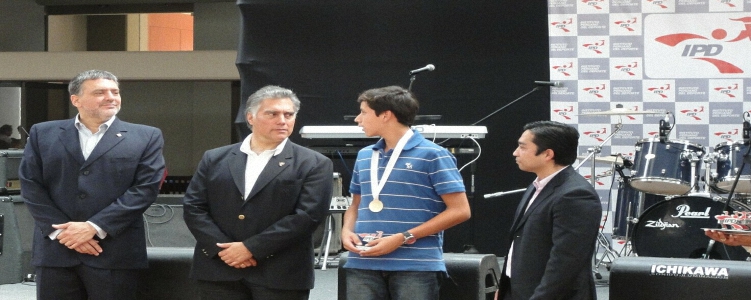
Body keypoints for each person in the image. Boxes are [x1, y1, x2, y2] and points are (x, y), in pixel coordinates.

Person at [18, 70, 166, 300]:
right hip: (56, 252)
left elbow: (146, 188)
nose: (110, 97)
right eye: (100, 92)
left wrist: (93, 227)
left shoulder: (146, 136)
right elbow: (31, 185)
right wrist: (63, 233)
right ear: (76, 100)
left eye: (114, 92)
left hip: (114, 253)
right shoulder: (43, 133)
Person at [182, 85, 333, 300]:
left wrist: (250, 248)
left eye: (288, 114)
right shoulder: (215, 158)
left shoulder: (314, 163)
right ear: (250, 117)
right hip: (219, 270)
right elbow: (194, 207)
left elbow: (307, 217)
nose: (282, 120)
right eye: (272, 113)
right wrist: (224, 250)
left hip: (281, 273)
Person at [341, 85, 471, 300]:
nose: (357, 119)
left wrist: (402, 238)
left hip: (415, 265)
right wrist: (346, 231)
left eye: (363, 112)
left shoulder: (433, 155)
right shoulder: (365, 156)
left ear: (385, 115)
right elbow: (355, 205)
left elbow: (460, 210)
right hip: (363, 262)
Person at [497, 120, 602, 300]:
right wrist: (506, 286)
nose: (515, 153)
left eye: (522, 147)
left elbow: (565, 263)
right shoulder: (537, 185)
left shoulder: (576, 194)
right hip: (519, 290)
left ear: (547, 154)